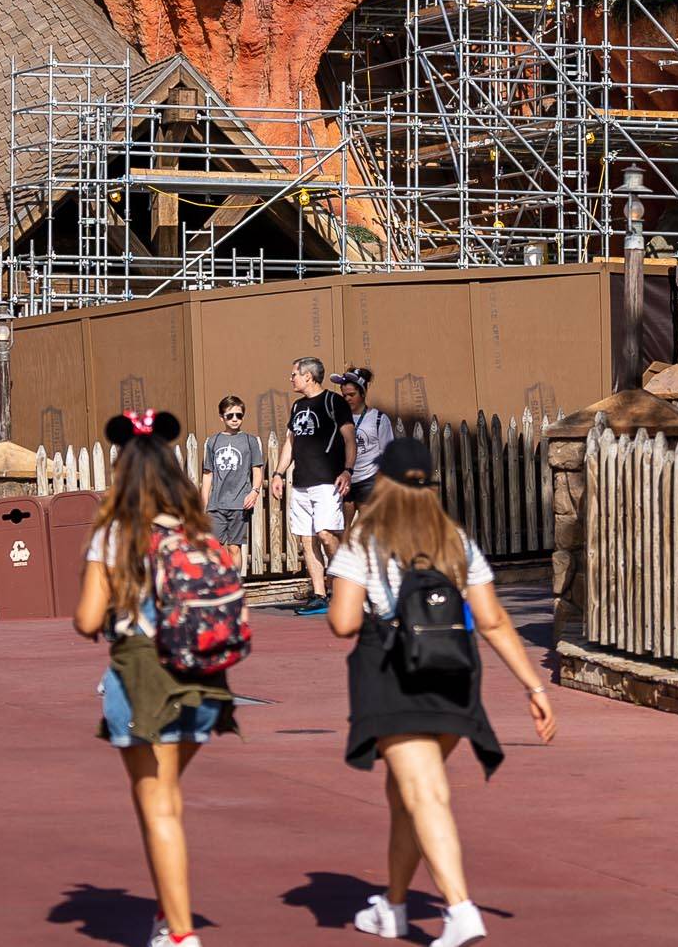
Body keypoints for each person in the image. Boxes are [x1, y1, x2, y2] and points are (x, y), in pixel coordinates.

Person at [327, 437, 556, 944]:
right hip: (455, 677)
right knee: (405, 796)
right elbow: (493, 620)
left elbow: (343, 623)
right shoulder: (454, 538)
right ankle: (395, 905)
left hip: (395, 680)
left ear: (382, 481)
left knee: (424, 792)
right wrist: (533, 686)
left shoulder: (365, 534)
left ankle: (459, 910)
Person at [72, 408, 236, 947]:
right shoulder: (192, 527)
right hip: (204, 675)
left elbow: (88, 621)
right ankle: (170, 919)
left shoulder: (115, 534)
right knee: (168, 798)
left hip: (144, 674)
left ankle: (182, 933)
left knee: (156, 805)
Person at [270, 355, 351, 615]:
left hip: (327, 481)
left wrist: (348, 471)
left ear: (308, 376)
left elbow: (349, 438)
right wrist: (278, 473)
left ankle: (341, 590)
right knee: (306, 538)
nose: (291, 378)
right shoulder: (296, 406)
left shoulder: (333, 402)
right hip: (301, 482)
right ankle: (319, 594)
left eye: (294, 374)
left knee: (326, 534)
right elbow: (290, 443)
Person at [199, 395, 264, 552]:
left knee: (234, 548)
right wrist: (203, 504)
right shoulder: (213, 441)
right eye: (230, 415)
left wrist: (254, 492)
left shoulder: (250, 441)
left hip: (239, 504)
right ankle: (219, 577)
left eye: (239, 415)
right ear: (222, 417)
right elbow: (208, 475)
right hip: (216, 504)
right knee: (214, 547)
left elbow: (257, 469)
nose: (235, 419)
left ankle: (236, 578)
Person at [340, 368, 394, 514]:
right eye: (344, 395)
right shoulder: (340, 418)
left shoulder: (379, 419)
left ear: (363, 393)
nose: (347, 399)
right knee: (343, 529)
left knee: (368, 528)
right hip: (346, 479)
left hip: (368, 479)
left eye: (352, 395)